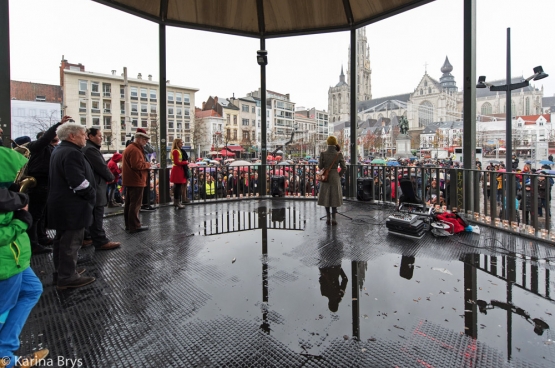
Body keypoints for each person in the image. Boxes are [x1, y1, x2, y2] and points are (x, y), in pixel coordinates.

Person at [0, 147, 49, 368]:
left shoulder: (8, 197)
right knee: (3, 308)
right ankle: (5, 358)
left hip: (15, 258)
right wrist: (22, 221)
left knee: (32, 290)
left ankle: (5, 349)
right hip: (6, 262)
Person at [47, 123, 96, 290]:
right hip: (72, 206)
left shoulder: (59, 150)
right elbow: (77, 180)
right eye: (83, 134)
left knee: (61, 241)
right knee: (71, 242)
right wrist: (91, 193)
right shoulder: (71, 153)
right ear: (72, 136)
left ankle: (62, 271)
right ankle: (67, 277)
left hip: (62, 204)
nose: (85, 137)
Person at [25, 116, 72, 255]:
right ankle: (33, 244)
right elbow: (45, 140)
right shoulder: (37, 147)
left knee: (41, 215)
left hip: (46, 184)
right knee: (35, 215)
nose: (56, 142)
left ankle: (41, 238)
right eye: (54, 140)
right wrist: (59, 124)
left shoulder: (51, 149)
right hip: (39, 184)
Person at [82, 127, 121, 251]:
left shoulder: (88, 148)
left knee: (92, 214)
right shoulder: (90, 150)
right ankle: (100, 240)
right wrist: (110, 177)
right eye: (99, 136)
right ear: (91, 136)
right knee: (97, 214)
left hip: (93, 185)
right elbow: (102, 167)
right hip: (96, 186)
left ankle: (88, 237)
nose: (101, 138)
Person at [122, 129, 152, 233]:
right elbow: (137, 165)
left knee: (129, 204)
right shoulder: (135, 150)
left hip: (131, 179)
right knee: (135, 204)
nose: (146, 142)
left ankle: (129, 224)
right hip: (136, 179)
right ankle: (134, 225)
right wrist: (148, 165)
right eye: (145, 139)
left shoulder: (131, 148)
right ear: (139, 139)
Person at [317, 136, 347, 225]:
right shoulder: (338, 154)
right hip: (335, 177)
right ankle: (334, 219)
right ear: (335, 143)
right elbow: (344, 168)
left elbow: (320, 166)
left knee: (326, 197)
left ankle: (328, 217)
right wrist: (339, 175)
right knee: (334, 198)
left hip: (325, 177)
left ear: (327, 143)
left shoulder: (323, 154)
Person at [169, 139, 188, 209]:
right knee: (178, 186)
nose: (182, 144)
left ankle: (176, 202)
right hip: (178, 169)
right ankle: (177, 202)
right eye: (180, 143)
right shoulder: (176, 151)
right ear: (177, 143)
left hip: (178, 169)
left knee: (178, 186)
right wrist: (185, 162)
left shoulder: (175, 151)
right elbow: (177, 162)